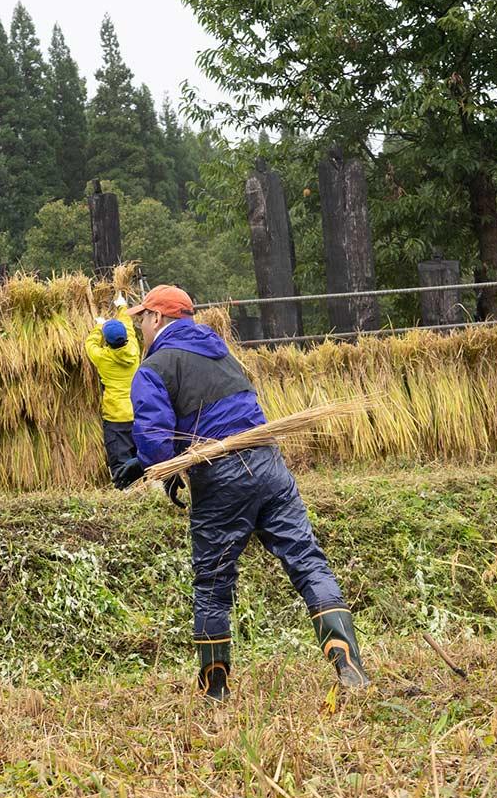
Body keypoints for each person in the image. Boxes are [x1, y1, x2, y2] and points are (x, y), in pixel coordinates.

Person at [125, 284, 369, 701]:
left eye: (141, 319)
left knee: (213, 583)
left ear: (158, 319)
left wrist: (162, 470)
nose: (139, 328)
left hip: (221, 477)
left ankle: (215, 691)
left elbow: (154, 441)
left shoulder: (155, 367)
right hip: (269, 463)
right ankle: (351, 669)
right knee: (308, 561)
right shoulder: (221, 351)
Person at [84, 294, 143, 488]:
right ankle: (147, 488)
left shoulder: (102, 358)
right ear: (125, 338)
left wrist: (99, 326)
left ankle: (125, 489)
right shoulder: (134, 351)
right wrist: (122, 307)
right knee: (140, 453)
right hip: (136, 410)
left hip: (116, 416)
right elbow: (128, 326)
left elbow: (90, 344)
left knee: (119, 457)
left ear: (107, 342)